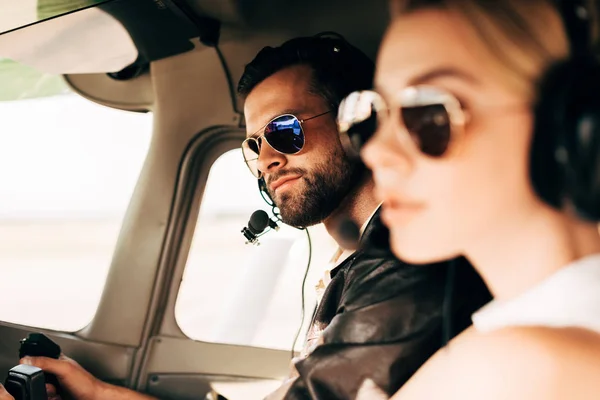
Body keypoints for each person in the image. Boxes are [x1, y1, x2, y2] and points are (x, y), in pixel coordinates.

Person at [12, 34, 491, 400]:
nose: (267, 160)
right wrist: (96, 393)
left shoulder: (410, 263)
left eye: (284, 130)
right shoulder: (367, 259)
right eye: (254, 145)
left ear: (359, 125)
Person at [338, 0, 600, 398]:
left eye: (427, 112)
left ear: (568, 128)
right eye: (376, 113)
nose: (376, 151)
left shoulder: (521, 369)